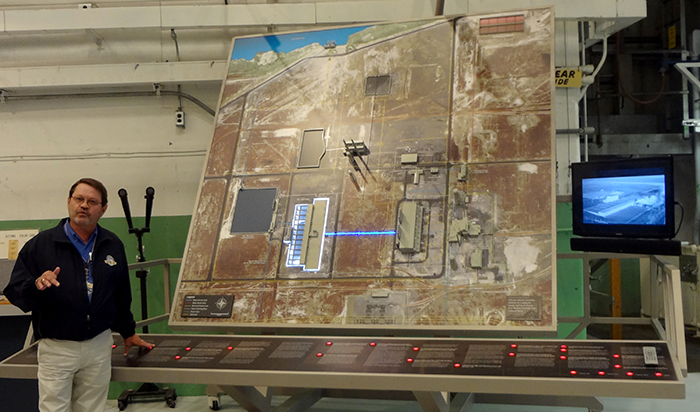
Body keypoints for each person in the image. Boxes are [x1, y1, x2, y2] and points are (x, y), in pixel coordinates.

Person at [3, 178, 153, 412]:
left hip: (99, 346)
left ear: (103, 209)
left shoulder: (112, 244)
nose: (84, 205)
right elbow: (14, 291)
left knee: (92, 409)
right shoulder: (41, 245)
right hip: (57, 348)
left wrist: (128, 332)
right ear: (69, 202)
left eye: (92, 202)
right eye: (79, 199)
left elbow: (121, 294)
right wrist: (36, 285)